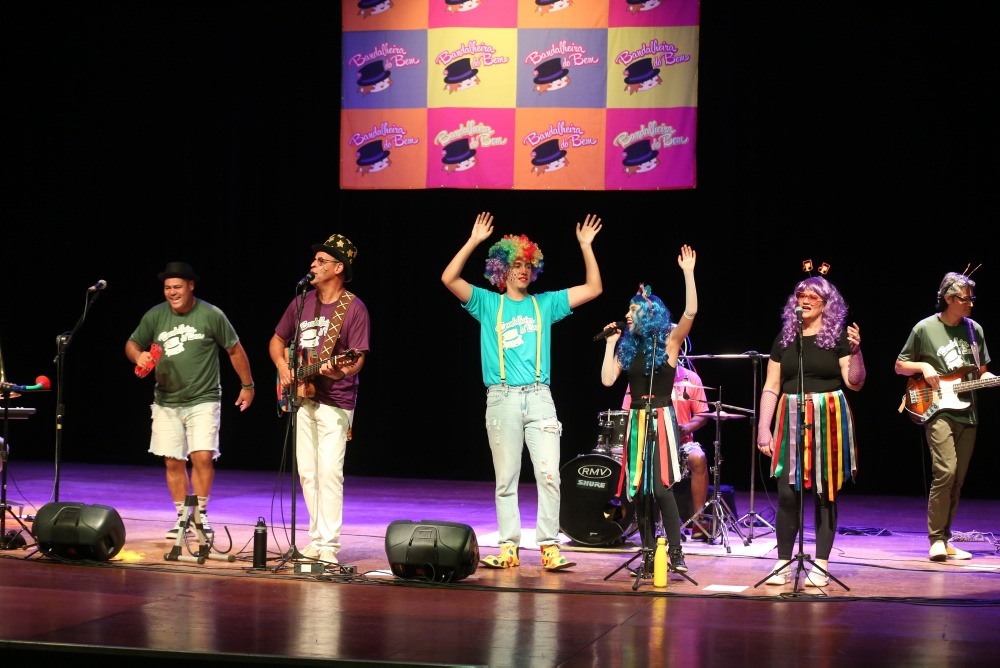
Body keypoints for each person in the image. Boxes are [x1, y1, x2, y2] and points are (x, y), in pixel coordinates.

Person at [441, 211, 603, 571]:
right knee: (507, 478)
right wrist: (473, 240)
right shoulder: (487, 303)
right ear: (501, 270)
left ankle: (548, 545)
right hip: (501, 398)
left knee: (550, 475)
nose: (522, 270)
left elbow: (593, 289)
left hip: (540, 397)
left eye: (528, 264)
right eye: (515, 264)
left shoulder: (544, 303)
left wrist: (586, 246)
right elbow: (449, 277)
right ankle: (509, 547)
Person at [126, 261, 255, 540]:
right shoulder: (155, 316)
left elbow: (234, 349)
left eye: (177, 287)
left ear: (191, 286)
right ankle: (183, 518)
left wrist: (248, 385)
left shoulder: (211, 314)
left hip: (203, 398)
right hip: (166, 401)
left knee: (202, 456)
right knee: (173, 461)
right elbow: (132, 343)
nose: (172, 292)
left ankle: (201, 516)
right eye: (167, 288)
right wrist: (138, 356)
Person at [756, 275, 865, 587]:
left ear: (826, 304)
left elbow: (855, 382)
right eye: (800, 295)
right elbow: (771, 386)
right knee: (787, 494)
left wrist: (857, 352)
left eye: (812, 296)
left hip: (827, 415)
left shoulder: (838, 338)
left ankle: (820, 562)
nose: (804, 300)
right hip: (790, 415)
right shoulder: (785, 338)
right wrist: (764, 427)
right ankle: (783, 561)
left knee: (824, 491)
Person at [269, 233, 369, 566]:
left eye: (321, 261)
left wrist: (334, 370)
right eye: (314, 261)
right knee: (308, 473)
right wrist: (284, 368)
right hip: (302, 396)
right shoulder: (301, 301)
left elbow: (356, 359)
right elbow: (276, 340)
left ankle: (329, 544)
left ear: (339, 267)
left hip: (336, 400)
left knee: (329, 472)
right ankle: (314, 539)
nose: (313, 265)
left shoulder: (353, 308)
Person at [599, 245, 699, 577]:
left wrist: (688, 272)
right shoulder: (628, 347)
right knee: (639, 488)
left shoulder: (668, 344)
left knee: (660, 487)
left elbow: (691, 312)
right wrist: (612, 343)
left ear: (648, 312)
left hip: (661, 418)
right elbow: (608, 379)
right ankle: (645, 550)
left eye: (632, 310)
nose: (626, 315)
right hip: (637, 420)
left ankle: (676, 549)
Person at [895, 270, 993, 562]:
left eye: (971, 298)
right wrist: (923, 368)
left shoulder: (975, 330)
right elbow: (900, 366)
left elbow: (981, 371)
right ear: (949, 299)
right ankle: (935, 539)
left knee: (958, 479)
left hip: (968, 412)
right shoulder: (925, 329)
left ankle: (947, 539)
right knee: (946, 471)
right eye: (965, 299)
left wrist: (986, 380)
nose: (970, 304)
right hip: (937, 410)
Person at [622, 362, 710, 540]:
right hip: (649, 441)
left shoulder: (691, 379)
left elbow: (702, 415)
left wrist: (686, 428)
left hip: (681, 442)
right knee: (633, 460)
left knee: (699, 458)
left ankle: (698, 520)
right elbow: (627, 411)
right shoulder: (642, 377)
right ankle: (634, 519)